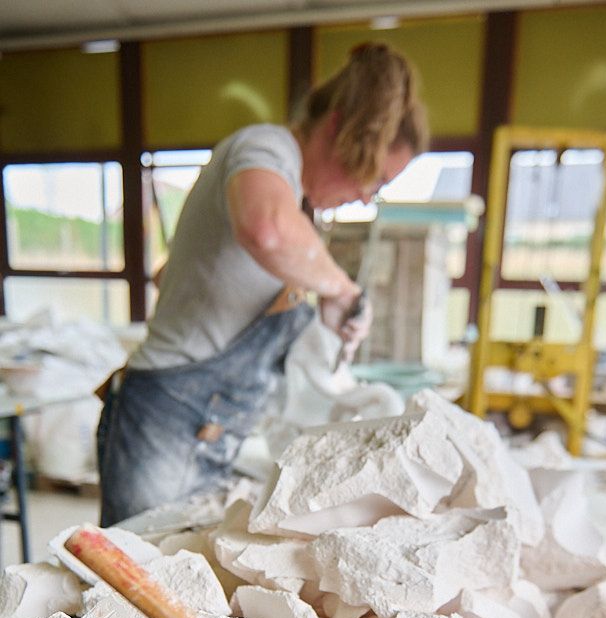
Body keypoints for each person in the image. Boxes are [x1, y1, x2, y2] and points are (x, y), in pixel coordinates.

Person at [98, 42, 429, 526]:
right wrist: (340, 290)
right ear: (338, 129)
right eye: (373, 177)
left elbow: (176, 275)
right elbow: (266, 230)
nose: (363, 196)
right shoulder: (267, 146)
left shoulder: (293, 198)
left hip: (205, 427)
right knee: (132, 586)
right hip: (167, 420)